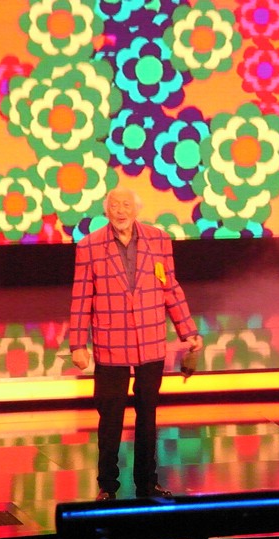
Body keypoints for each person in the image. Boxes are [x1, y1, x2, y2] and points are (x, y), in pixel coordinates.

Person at [69, 188, 203, 500]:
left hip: (150, 340)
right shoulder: (89, 246)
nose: (120, 210)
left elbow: (170, 288)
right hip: (111, 342)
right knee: (110, 418)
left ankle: (147, 482)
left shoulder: (158, 240)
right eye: (114, 205)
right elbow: (81, 297)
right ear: (106, 210)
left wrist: (188, 330)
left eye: (126, 204)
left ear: (136, 209)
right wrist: (77, 343)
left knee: (147, 416)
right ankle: (108, 485)